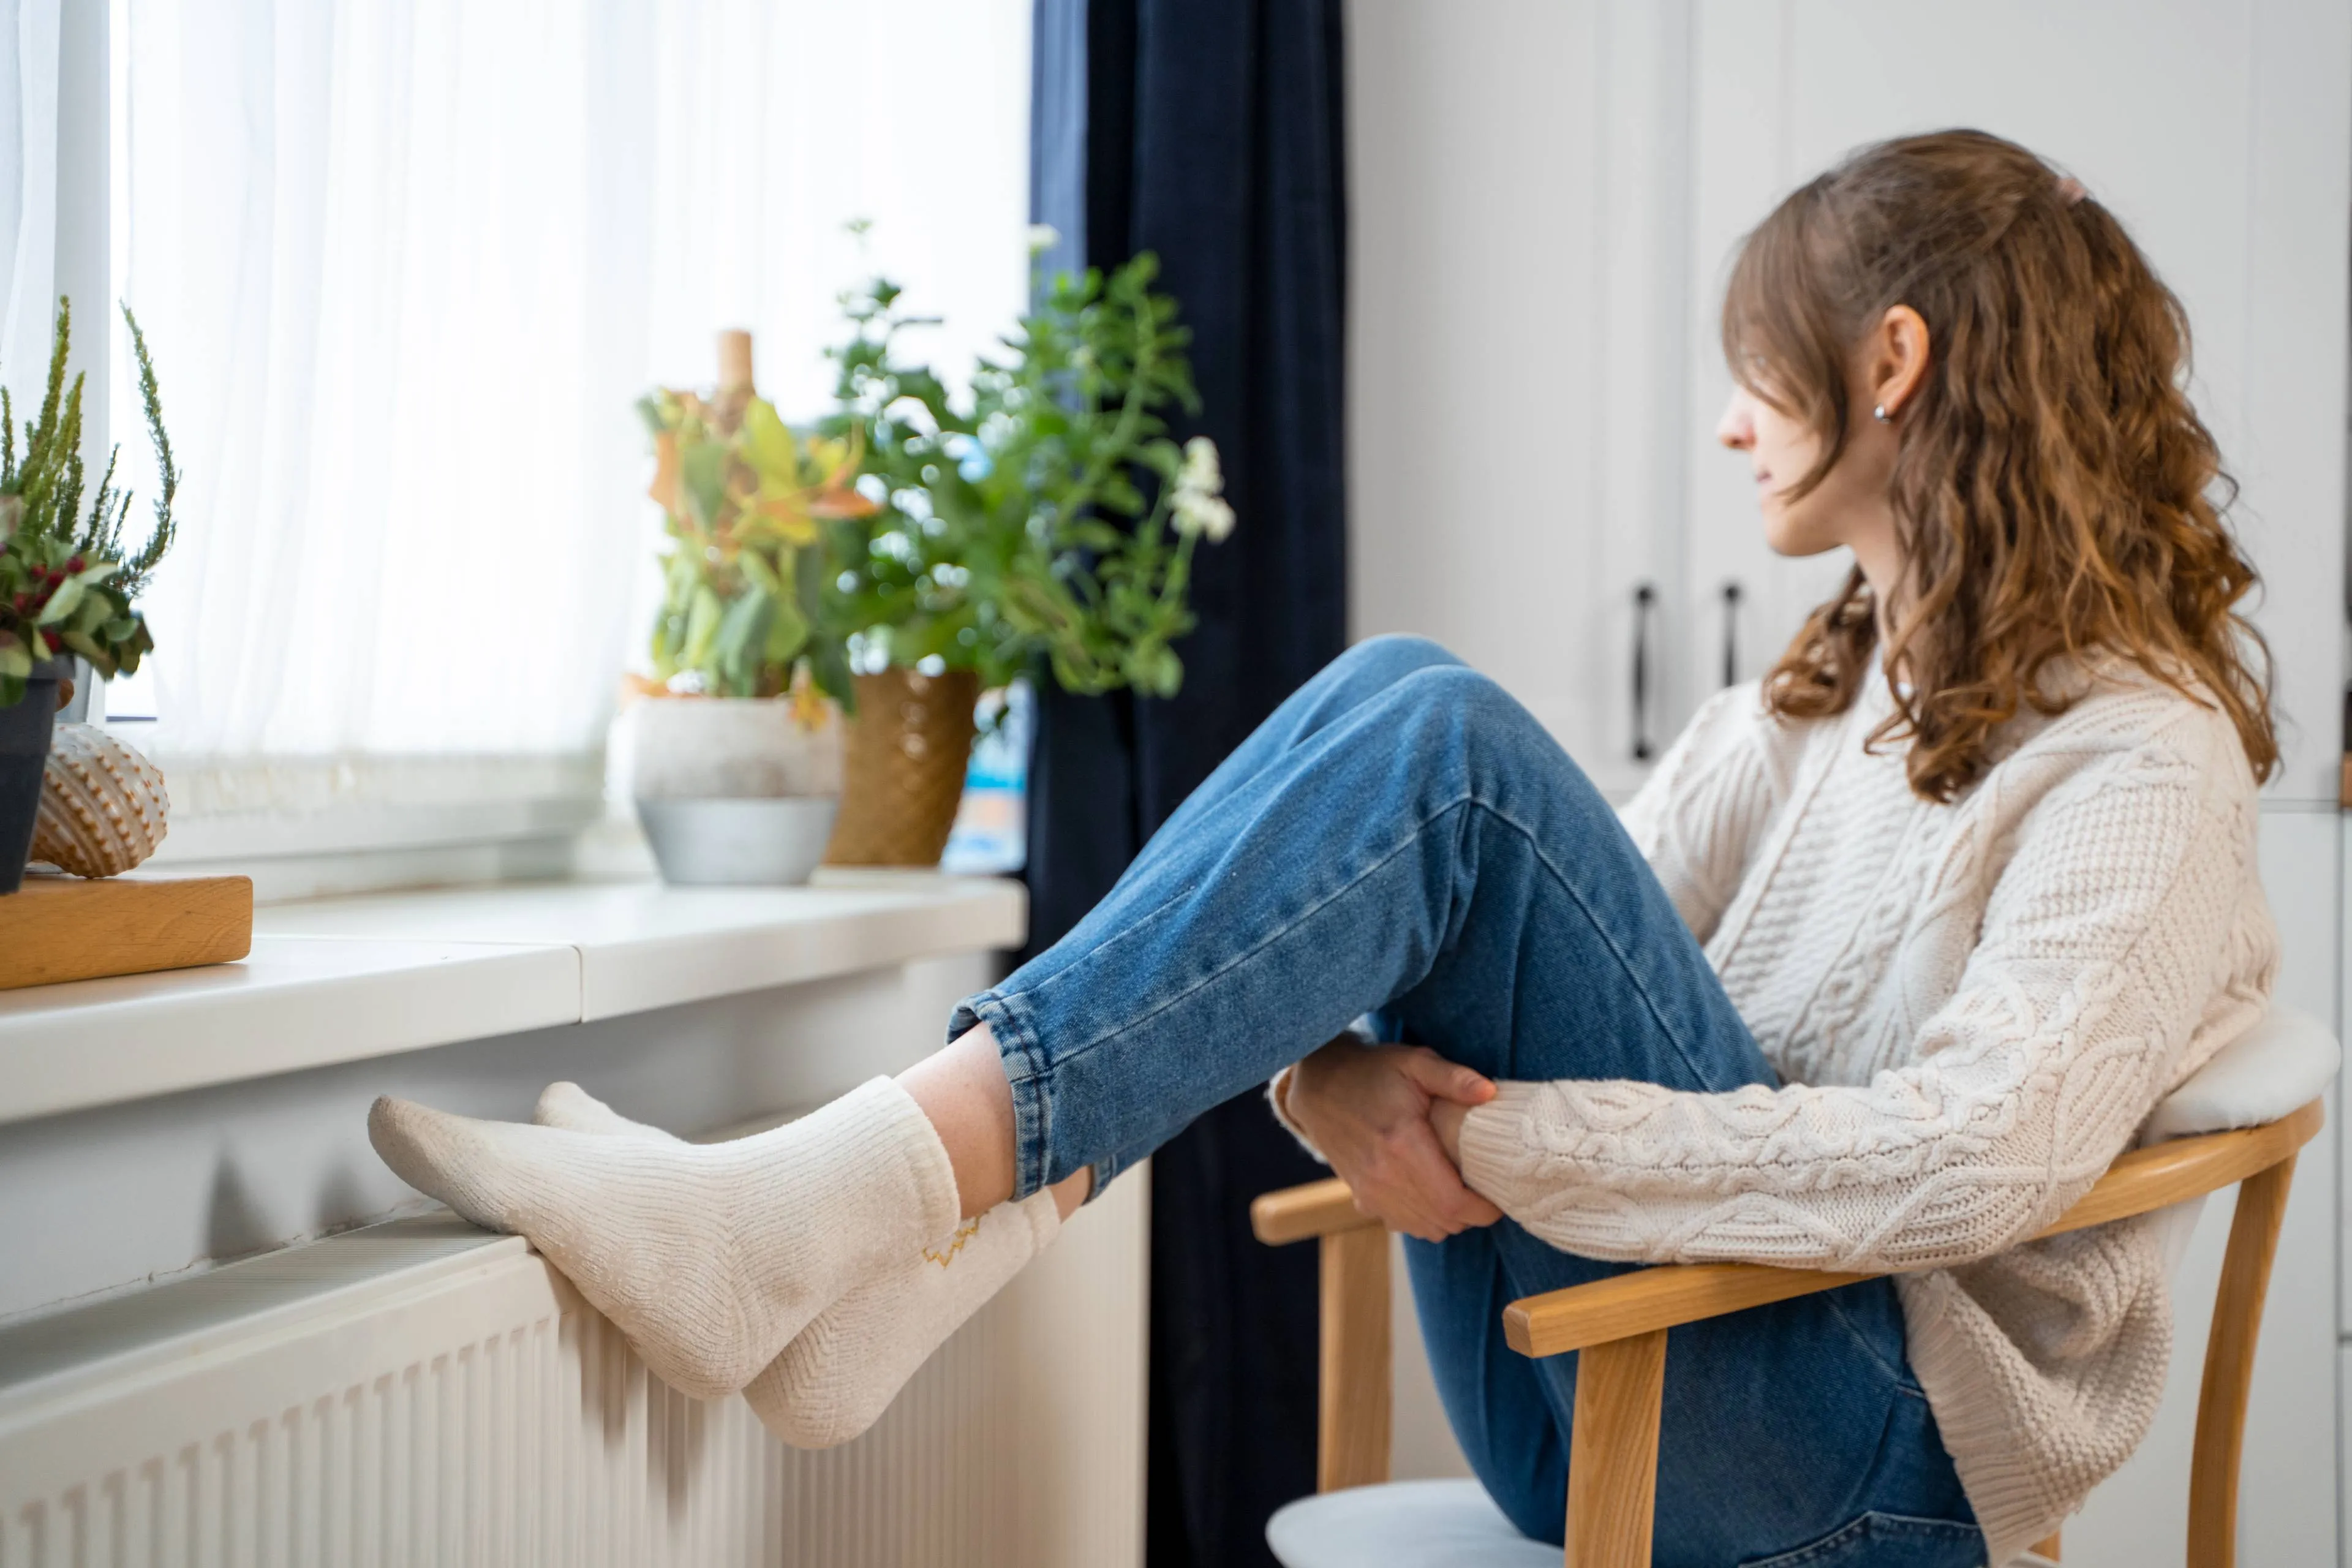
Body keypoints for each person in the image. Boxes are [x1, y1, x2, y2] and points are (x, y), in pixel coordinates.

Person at [369, 129, 2277, 1567]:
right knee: (1416, 717)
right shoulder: (1812, 701)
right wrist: (1339, 1080)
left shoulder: (2144, 767)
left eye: (1755, 372)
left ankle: (854, 1218)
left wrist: (1503, 1139)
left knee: (1438, 739)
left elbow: (1974, 1161)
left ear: (1891, 364)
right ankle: (882, 1241)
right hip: (1600, 1371)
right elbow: (1480, 925)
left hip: (1862, 1474)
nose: (1724, 426)